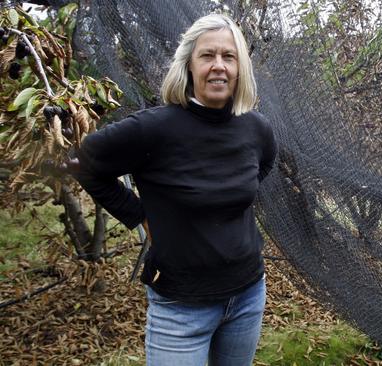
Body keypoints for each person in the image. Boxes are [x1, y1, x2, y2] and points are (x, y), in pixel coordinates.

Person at [72, 13, 277, 366]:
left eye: (228, 57)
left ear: (240, 67)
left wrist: (217, 203)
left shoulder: (256, 129)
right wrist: (139, 215)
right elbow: (85, 164)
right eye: (207, 56)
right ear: (189, 66)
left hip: (247, 295)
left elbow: (260, 170)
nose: (218, 66)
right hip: (181, 307)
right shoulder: (155, 129)